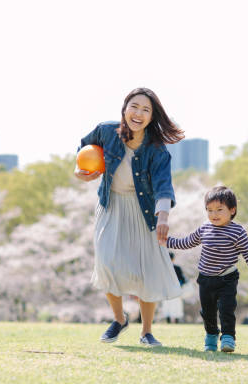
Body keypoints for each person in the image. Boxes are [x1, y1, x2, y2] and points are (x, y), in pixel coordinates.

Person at [75, 87, 184, 347]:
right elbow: (83, 148)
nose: (139, 113)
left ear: (151, 117)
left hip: (144, 210)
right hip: (110, 205)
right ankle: (119, 318)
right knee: (106, 261)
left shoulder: (157, 150)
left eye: (146, 110)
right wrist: (80, 169)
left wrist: (164, 216)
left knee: (147, 271)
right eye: (134, 106)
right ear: (125, 109)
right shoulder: (106, 131)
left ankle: (146, 331)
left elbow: (163, 186)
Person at [166, 186, 248, 352]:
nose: (214, 214)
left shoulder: (237, 231)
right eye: (209, 210)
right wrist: (166, 241)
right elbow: (186, 243)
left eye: (219, 210)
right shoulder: (204, 228)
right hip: (205, 279)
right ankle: (211, 336)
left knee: (227, 309)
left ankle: (228, 337)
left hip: (227, 278)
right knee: (208, 312)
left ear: (232, 210)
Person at [160, 252, 186, 323]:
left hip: (166, 290)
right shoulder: (177, 268)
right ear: (173, 258)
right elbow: (183, 279)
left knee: (167, 305)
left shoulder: (164, 268)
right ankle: (176, 321)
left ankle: (168, 321)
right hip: (176, 290)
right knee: (176, 305)